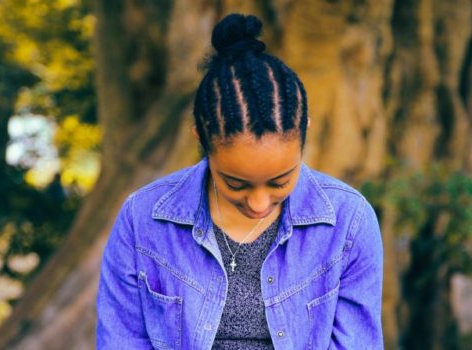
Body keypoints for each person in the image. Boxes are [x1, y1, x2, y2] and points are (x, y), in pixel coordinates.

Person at [96, 13, 383, 349]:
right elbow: (122, 341)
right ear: (200, 141)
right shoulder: (142, 219)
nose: (259, 203)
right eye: (236, 184)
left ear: (304, 135)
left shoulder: (348, 222)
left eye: (279, 182)